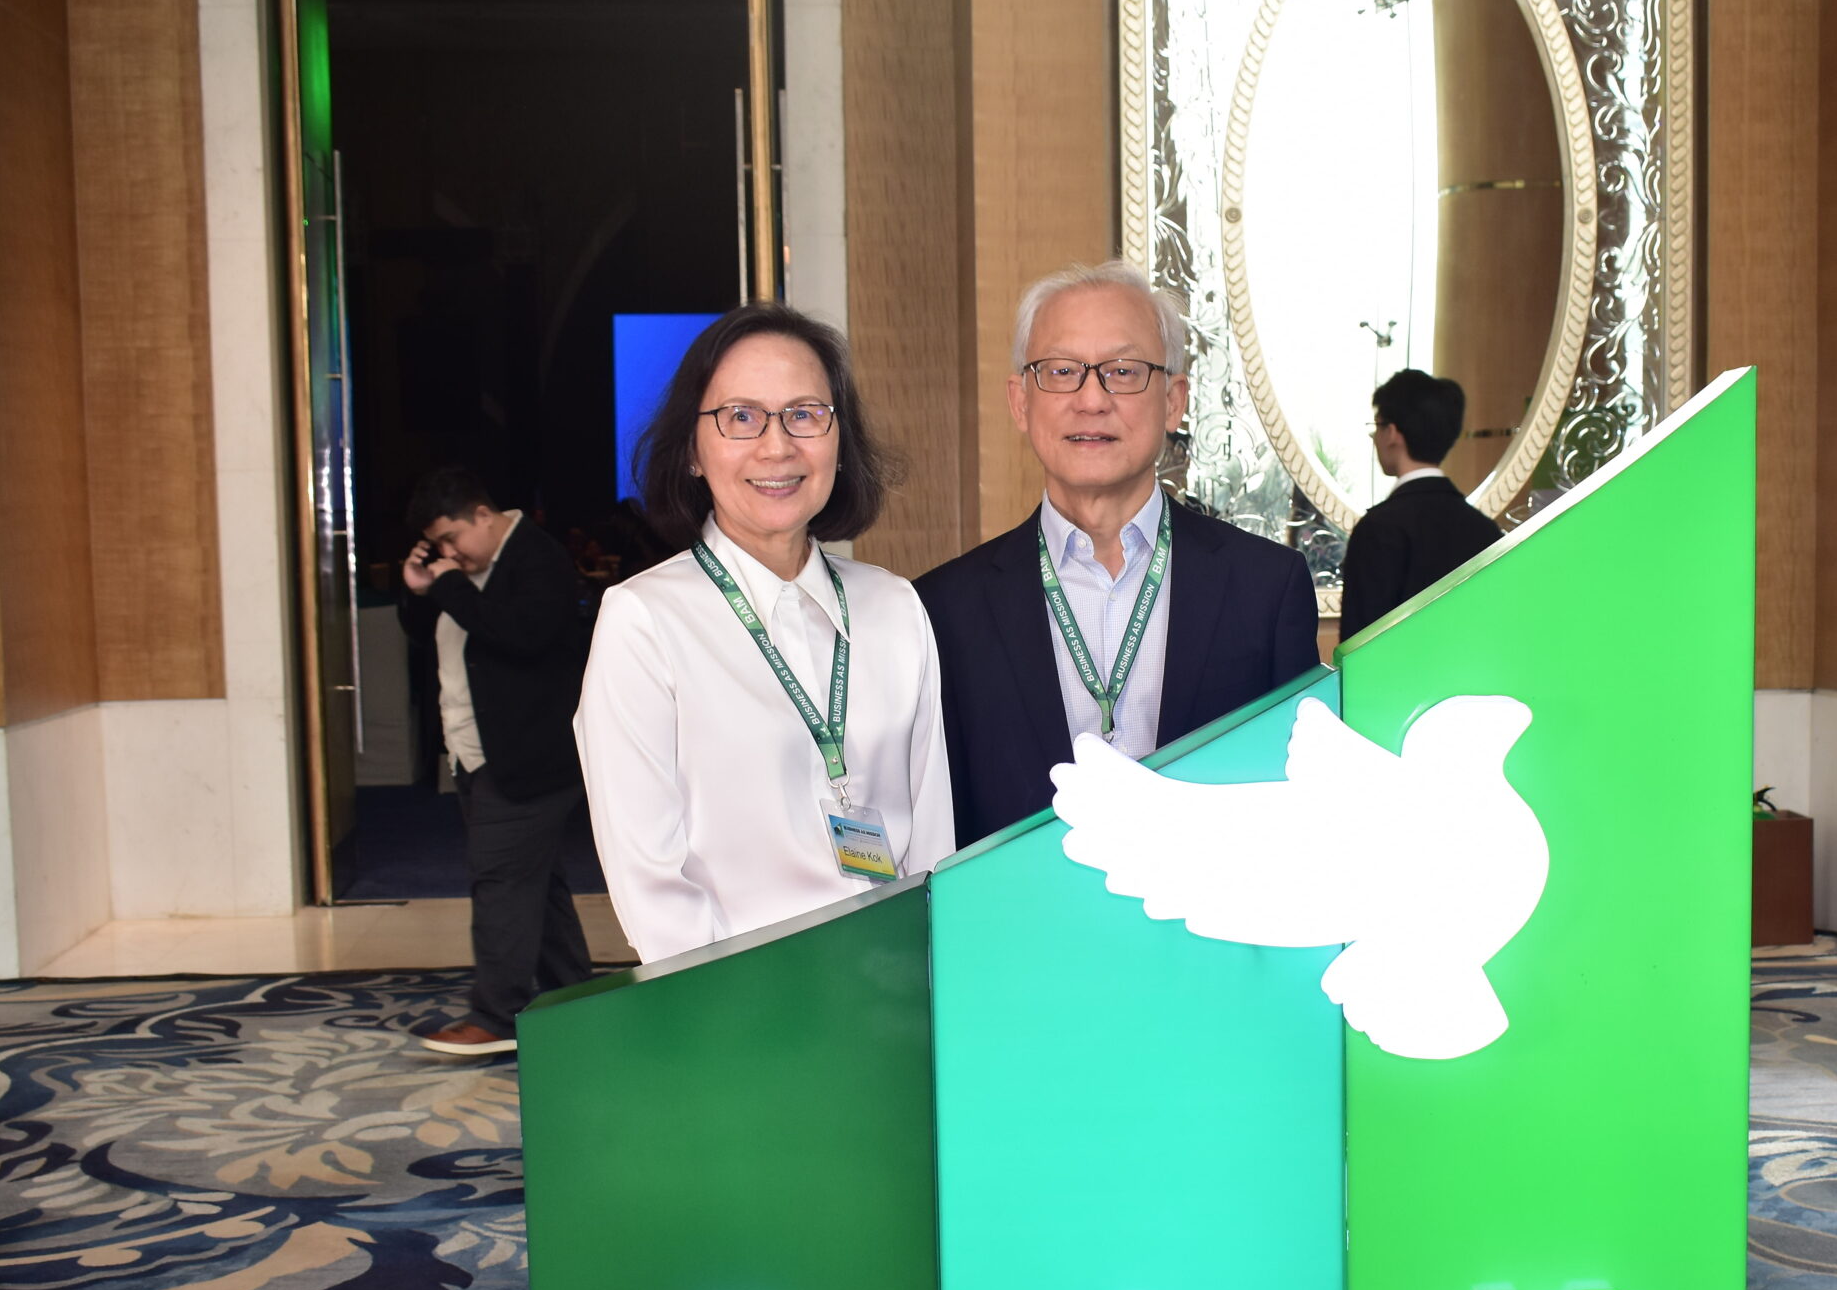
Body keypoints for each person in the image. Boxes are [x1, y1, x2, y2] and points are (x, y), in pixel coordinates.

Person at [575, 305, 954, 966]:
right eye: (741, 417)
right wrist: (739, 1002)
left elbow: (931, 836)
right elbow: (651, 884)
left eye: (805, 414)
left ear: (841, 441)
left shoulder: (894, 608)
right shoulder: (645, 621)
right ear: (692, 451)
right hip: (737, 997)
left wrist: (920, 971)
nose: (777, 447)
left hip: (890, 984)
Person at [916, 260, 1320, 845]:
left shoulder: (1266, 587)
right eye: (1061, 371)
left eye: (1123, 372)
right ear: (1020, 402)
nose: (1091, 399)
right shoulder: (945, 608)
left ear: (1173, 401)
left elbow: (1296, 800)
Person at [397, 467, 594, 1056]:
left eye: (452, 538)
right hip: (475, 751)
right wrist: (420, 590)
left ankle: (497, 1015)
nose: (450, 553)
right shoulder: (463, 571)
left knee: (501, 882)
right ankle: (573, 1000)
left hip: (529, 755)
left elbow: (520, 636)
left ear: (483, 515)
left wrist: (449, 585)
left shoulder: (538, 558)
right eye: (439, 546)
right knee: (537, 884)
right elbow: (429, 632)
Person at [1336, 369, 1504, 643]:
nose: (1375, 438)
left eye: (1377, 426)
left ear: (1392, 433)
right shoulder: (1485, 530)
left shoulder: (1378, 529)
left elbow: (1357, 646)